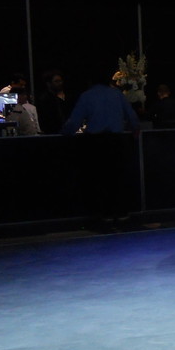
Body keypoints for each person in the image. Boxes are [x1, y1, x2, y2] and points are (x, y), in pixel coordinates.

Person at [63, 66, 142, 228]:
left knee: (99, 179)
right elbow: (132, 117)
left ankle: (105, 217)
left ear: (90, 81)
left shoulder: (87, 96)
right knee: (119, 178)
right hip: (117, 141)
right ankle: (122, 215)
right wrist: (135, 131)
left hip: (96, 143)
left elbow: (74, 121)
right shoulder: (117, 94)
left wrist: (64, 134)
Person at [36, 69, 73, 135]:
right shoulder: (45, 100)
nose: (60, 83)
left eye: (60, 81)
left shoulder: (66, 97)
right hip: (53, 134)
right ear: (48, 84)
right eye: (56, 81)